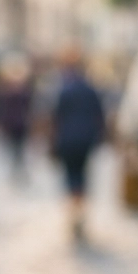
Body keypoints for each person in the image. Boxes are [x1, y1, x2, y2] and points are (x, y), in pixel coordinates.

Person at [50, 47, 105, 242]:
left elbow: (55, 117)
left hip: (67, 140)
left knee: (71, 176)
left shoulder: (63, 89)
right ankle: (79, 211)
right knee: (81, 175)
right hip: (86, 140)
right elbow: (100, 115)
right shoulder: (90, 89)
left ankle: (75, 211)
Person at [0, 53, 34, 179]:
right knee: (14, 149)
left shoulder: (20, 90)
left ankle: (18, 169)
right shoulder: (5, 89)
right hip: (12, 123)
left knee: (18, 149)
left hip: (18, 123)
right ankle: (17, 170)